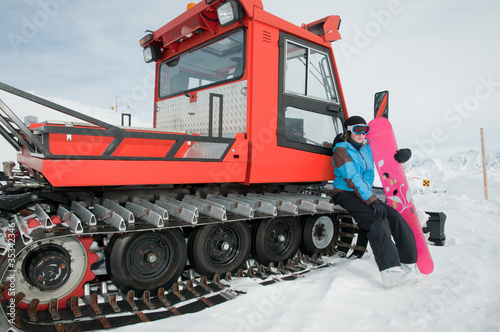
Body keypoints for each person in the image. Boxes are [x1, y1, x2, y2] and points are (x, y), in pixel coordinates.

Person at [331, 115, 421, 289]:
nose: (362, 133)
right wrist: (372, 201)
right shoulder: (341, 151)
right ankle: (391, 273)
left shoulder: (367, 148)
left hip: (364, 193)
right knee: (376, 220)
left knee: (395, 217)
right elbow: (352, 178)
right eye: (358, 129)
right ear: (349, 131)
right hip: (345, 192)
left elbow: (388, 156)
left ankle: (408, 263)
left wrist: (402, 155)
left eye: (365, 129)